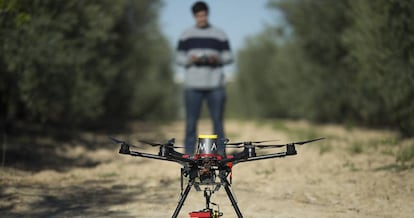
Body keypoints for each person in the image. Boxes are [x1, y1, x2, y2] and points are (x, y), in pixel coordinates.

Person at [175, 1, 233, 155]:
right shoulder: (186, 35)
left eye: (204, 15)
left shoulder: (220, 34)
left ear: (207, 14)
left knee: (218, 123)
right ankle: (188, 156)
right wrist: (190, 59)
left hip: (216, 86)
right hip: (192, 87)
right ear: (195, 16)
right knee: (191, 124)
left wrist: (217, 59)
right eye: (199, 16)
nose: (202, 18)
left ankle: (221, 155)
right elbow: (179, 59)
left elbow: (229, 57)